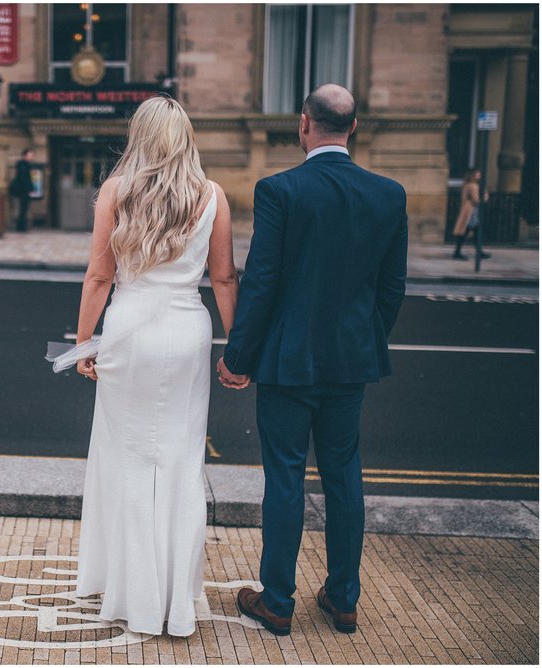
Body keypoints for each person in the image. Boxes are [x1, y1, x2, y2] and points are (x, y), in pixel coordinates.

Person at [217, 84, 408, 636]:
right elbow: (391, 287)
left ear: (304, 124)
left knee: (285, 477)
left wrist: (239, 357)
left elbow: (263, 283)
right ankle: (343, 598)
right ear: (353, 127)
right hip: (350, 363)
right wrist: (364, 340)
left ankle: (277, 600)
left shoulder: (280, 190)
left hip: (287, 363)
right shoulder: (388, 194)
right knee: (345, 475)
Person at [72, 95, 241, 637]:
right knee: (179, 461)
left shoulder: (116, 192)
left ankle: (129, 591)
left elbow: (99, 277)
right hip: (187, 333)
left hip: (130, 330)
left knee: (125, 457)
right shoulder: (213, 196)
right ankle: (175, 599)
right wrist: (237, 346)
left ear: (138, 138)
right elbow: (223, 280)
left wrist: (84, 341)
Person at [451, 169, 490, 260]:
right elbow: (476, 200)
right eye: (478, 175)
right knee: (466, 232)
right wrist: (485, 196)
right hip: (471, 212)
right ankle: (458, 252)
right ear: (472, 176)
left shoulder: (467, 184)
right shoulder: (473, 186)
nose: (479, 177)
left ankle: (477, 252)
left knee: (473, 232)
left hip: (469, 211)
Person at [11, 148, 35, 232]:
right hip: (22, 190)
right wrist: (29, 188)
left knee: (24, 208)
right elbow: (24, 178)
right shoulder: (22, 165)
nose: (31, 157)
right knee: (23, 208)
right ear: (24, 156)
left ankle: (21, 226)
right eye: (30, 155)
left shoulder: (25, 164)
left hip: (24, 189)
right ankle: (21, 227)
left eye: (32, 155)